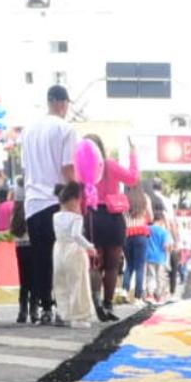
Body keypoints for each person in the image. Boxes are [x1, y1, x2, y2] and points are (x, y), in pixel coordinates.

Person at [16, 84, 78, 328]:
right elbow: (67, 169)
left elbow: (25, 169)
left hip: (33, 202)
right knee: (61, 257)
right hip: (56, 201)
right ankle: (62, 308)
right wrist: (76, 199)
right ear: (62, 104)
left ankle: (44, 308)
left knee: (40, 258)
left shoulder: (29, 130)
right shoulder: (66, 129)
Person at [75, 132, 138, 322]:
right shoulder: (109, 165)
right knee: (112, 265)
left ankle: (96, 302)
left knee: (95, 263)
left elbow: (79, 198)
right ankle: (108, 304)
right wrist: (133, 154)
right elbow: (132, 178)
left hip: (92, 218)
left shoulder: (80, 170)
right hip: (113, 218)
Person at [49, 181, 95, 328]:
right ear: (75, 200)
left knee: (61, 283)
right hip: (74, 250)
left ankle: (64, 314)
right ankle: (79, 317)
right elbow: (76, 235)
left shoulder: (55, 216)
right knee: (78, 283)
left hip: (58, 249)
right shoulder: (76, 218)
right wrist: (89, 247)